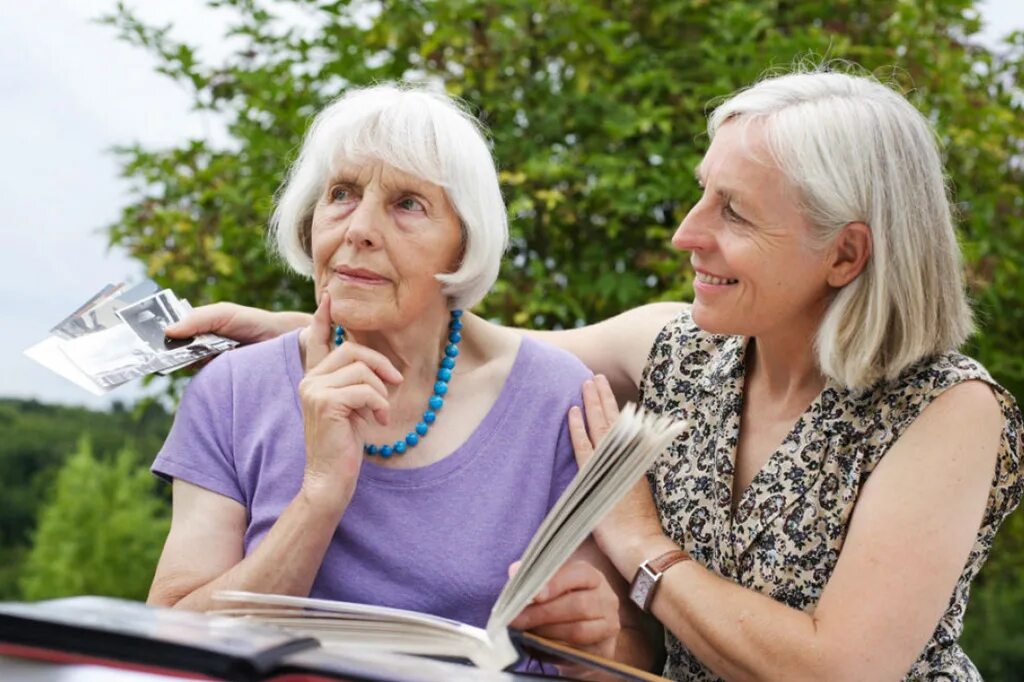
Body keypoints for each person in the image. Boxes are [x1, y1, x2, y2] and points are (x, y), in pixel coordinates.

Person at [167, 69, 1023, 680]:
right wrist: (302, 327)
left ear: (846, 253)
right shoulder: (679, 346)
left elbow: (842, 670)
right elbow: (475, 346)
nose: (687, 233)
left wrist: (642, 548)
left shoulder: (946, 411)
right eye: (701, 193)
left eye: (734, 211)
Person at [147, 83, 650, 666]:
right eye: (341, 193)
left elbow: (630, 660)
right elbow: (169, 646)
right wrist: (319, 495)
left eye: (407, 203)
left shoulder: (556, 398)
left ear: (462, 247)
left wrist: (590, 649)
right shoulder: (234, 390)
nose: (359, 227)